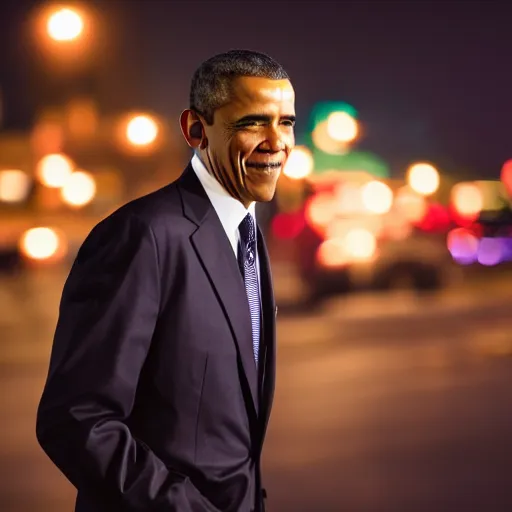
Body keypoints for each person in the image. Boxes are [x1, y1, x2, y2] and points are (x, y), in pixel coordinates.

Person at [36, 49, 296, 512]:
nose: (277, 142)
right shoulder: (142, 236)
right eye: (254, 122)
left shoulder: (248, 235)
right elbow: (76, 419)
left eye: (287, 122)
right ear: (196, 129)